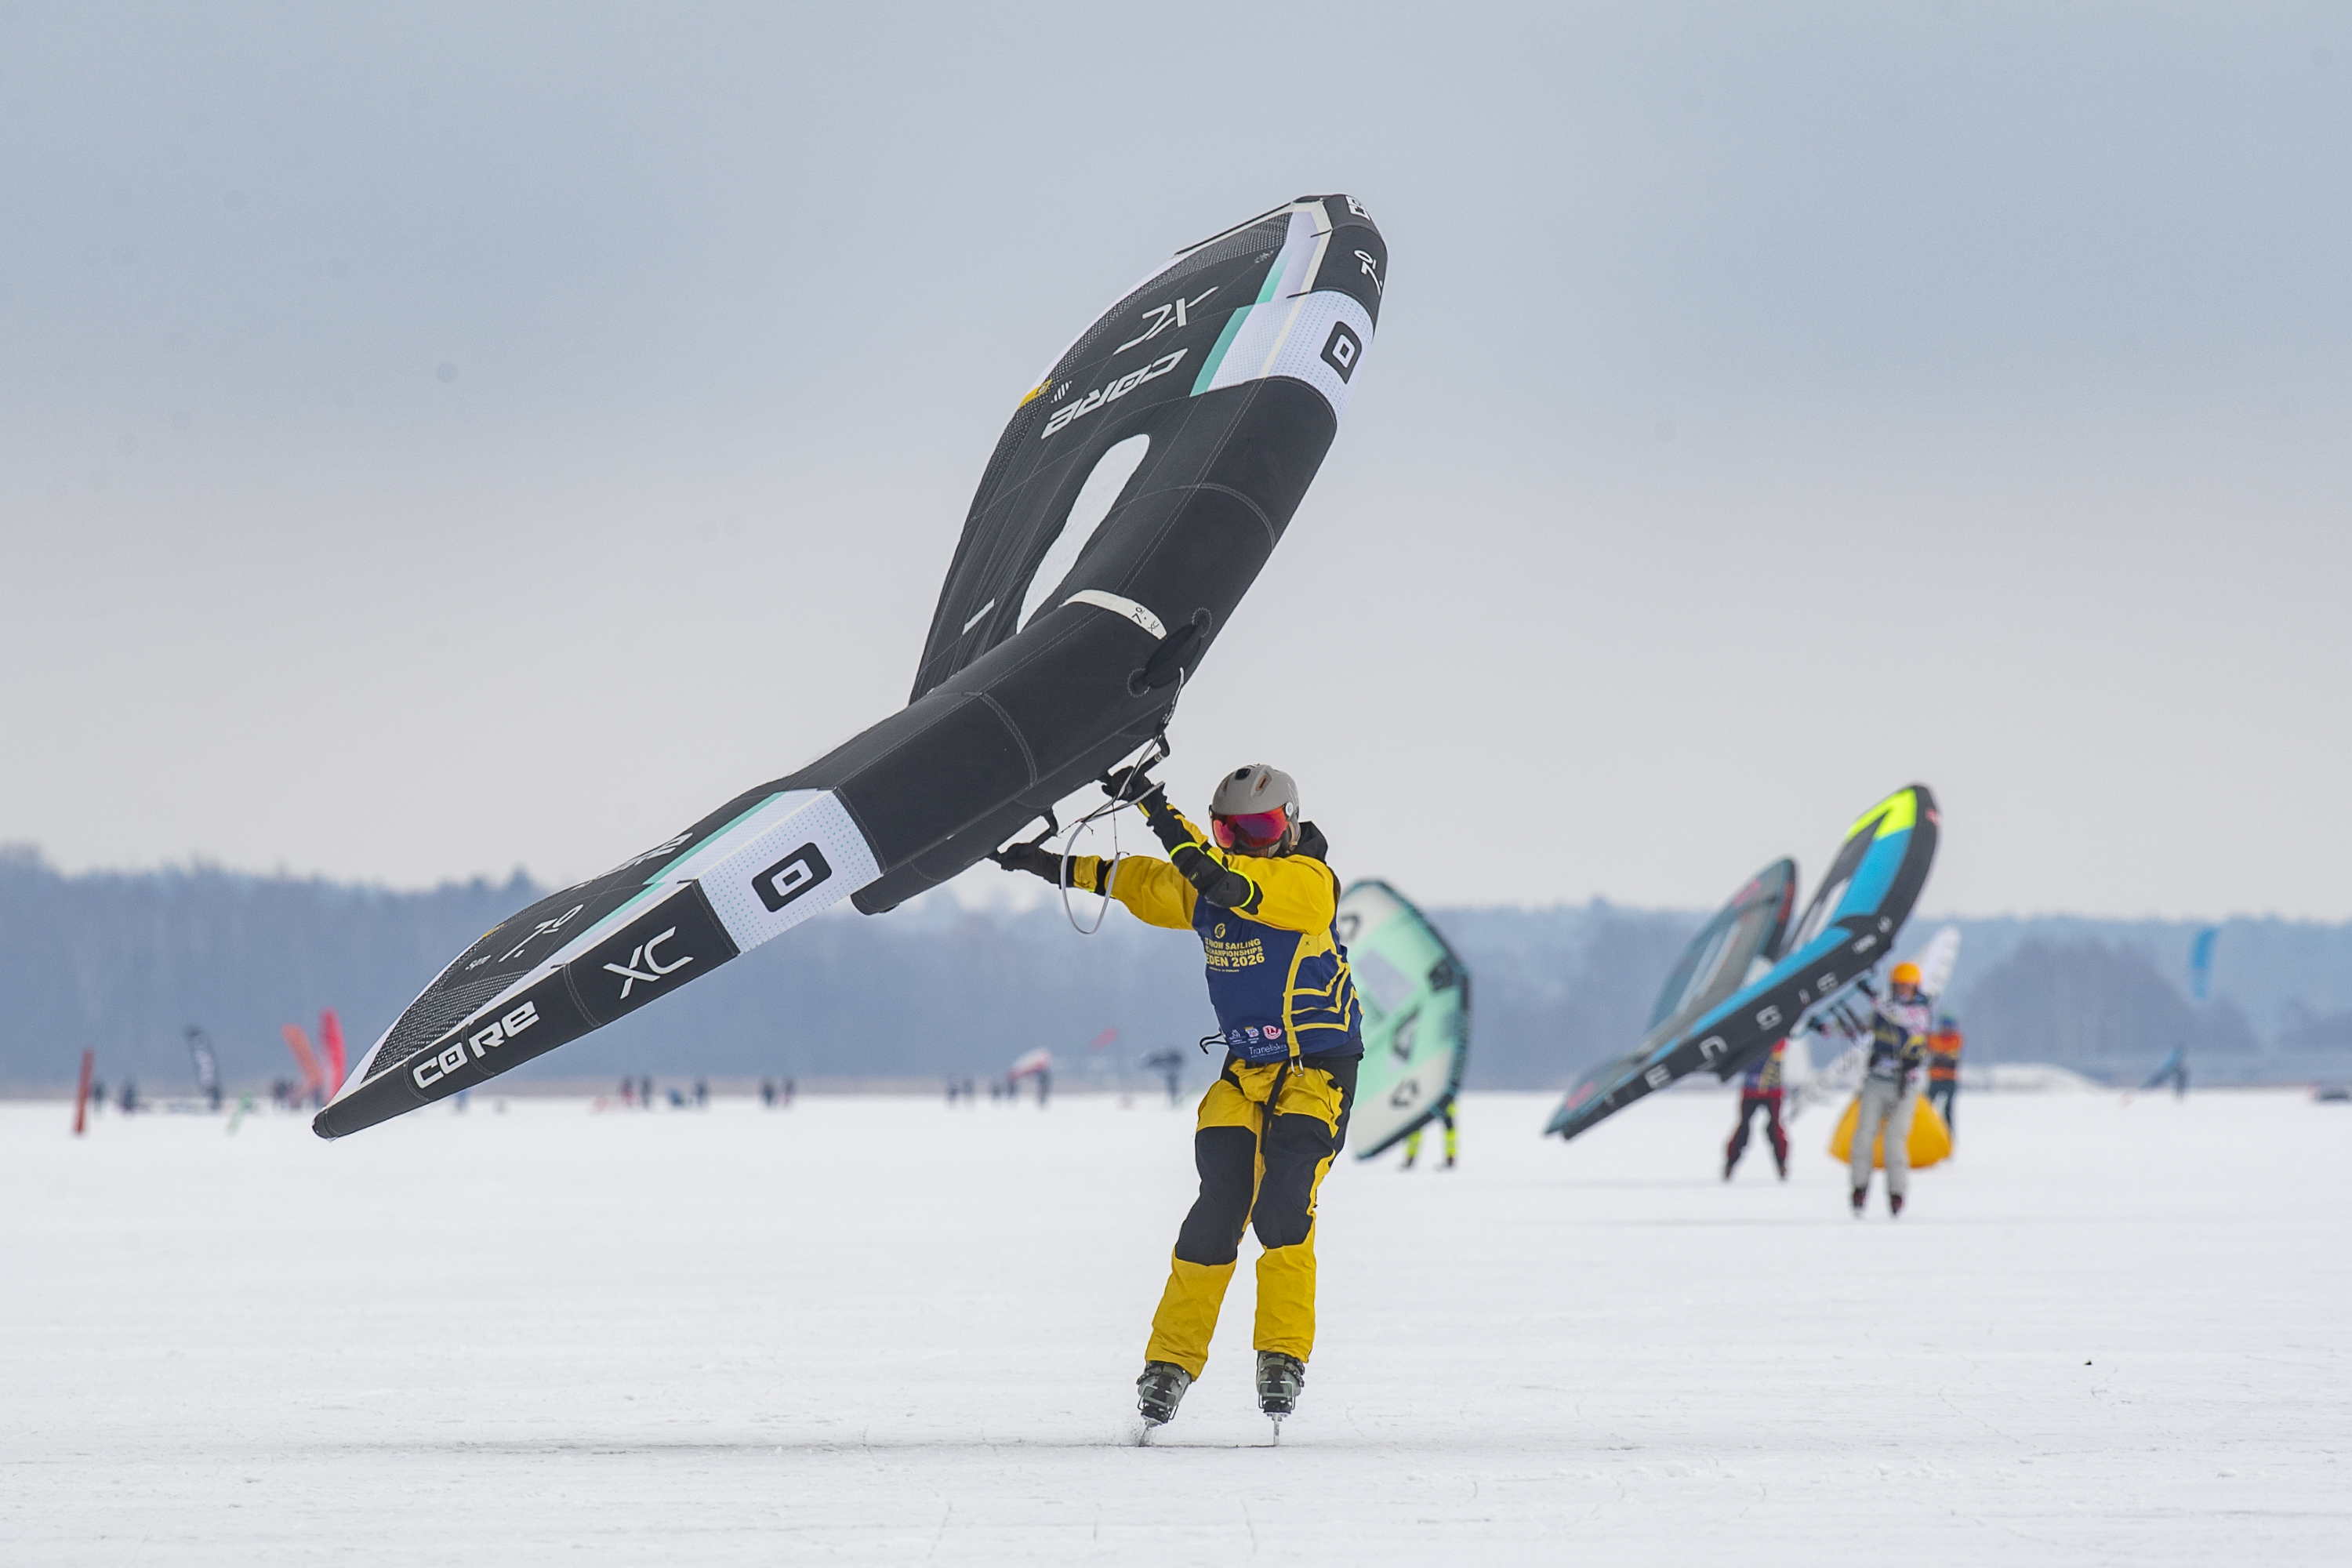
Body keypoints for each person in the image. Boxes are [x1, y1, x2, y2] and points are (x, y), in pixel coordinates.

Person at [998, 763, 1362, 1430]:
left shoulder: (1308, 885)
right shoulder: (1204, 888)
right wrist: (1045, 864)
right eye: (1231, 831)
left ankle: (1282, 1354)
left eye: (1261, 828)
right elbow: (1133, 880)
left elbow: (1227, 881)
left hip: (1317, 1075)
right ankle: (1169, 1363)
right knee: (1215, 1215)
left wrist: (1152, 804)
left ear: (1289, 826)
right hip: (1244, 1073)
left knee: (1283, 1207)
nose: (1248, 843)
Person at [1851, 962, 1931, 1217]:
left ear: (1916, 989)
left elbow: (1897, 1016)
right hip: (1876, 1082)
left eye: (1908, 988)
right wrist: (1824, 1028)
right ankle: (1859, 1189)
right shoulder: (1881, 1012)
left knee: (1894, 1141)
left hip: (1903, 1087)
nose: (1903, 992)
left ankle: (1897, 1194)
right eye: (1899, 987)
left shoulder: (1919, 1013)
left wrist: (1872, 996)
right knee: (1863, 1137)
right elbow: (1860, 1031)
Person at [1724, 1039, 1790, 1180]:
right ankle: (1730, 1164)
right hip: (1753, 1091)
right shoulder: (1751, 1038)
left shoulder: (1777, 1039)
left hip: (1771, 1091)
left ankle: (1781, 1164)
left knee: (1774, 1128)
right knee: (1744, 1128)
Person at [1925, 1014, 1962, 1135]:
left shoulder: (1956, 1038)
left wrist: (1939, 1054)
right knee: (1927, 1106)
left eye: (1950, 1025)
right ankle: (1927, 1131)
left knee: (1948, 1109)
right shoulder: (1933, 1038)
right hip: (1935, 1079)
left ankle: (1948, 1135)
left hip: (1950, 1079)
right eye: (1945, 1025)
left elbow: (1949, 1055)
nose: (1947, 1028)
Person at [1400, 1101, 1457, 1169]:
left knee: (1449, 1127)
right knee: (1416, 1127)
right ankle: (1410, 1158)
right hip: (1435, 1099)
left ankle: (1450, 1158)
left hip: (1442, 1099)